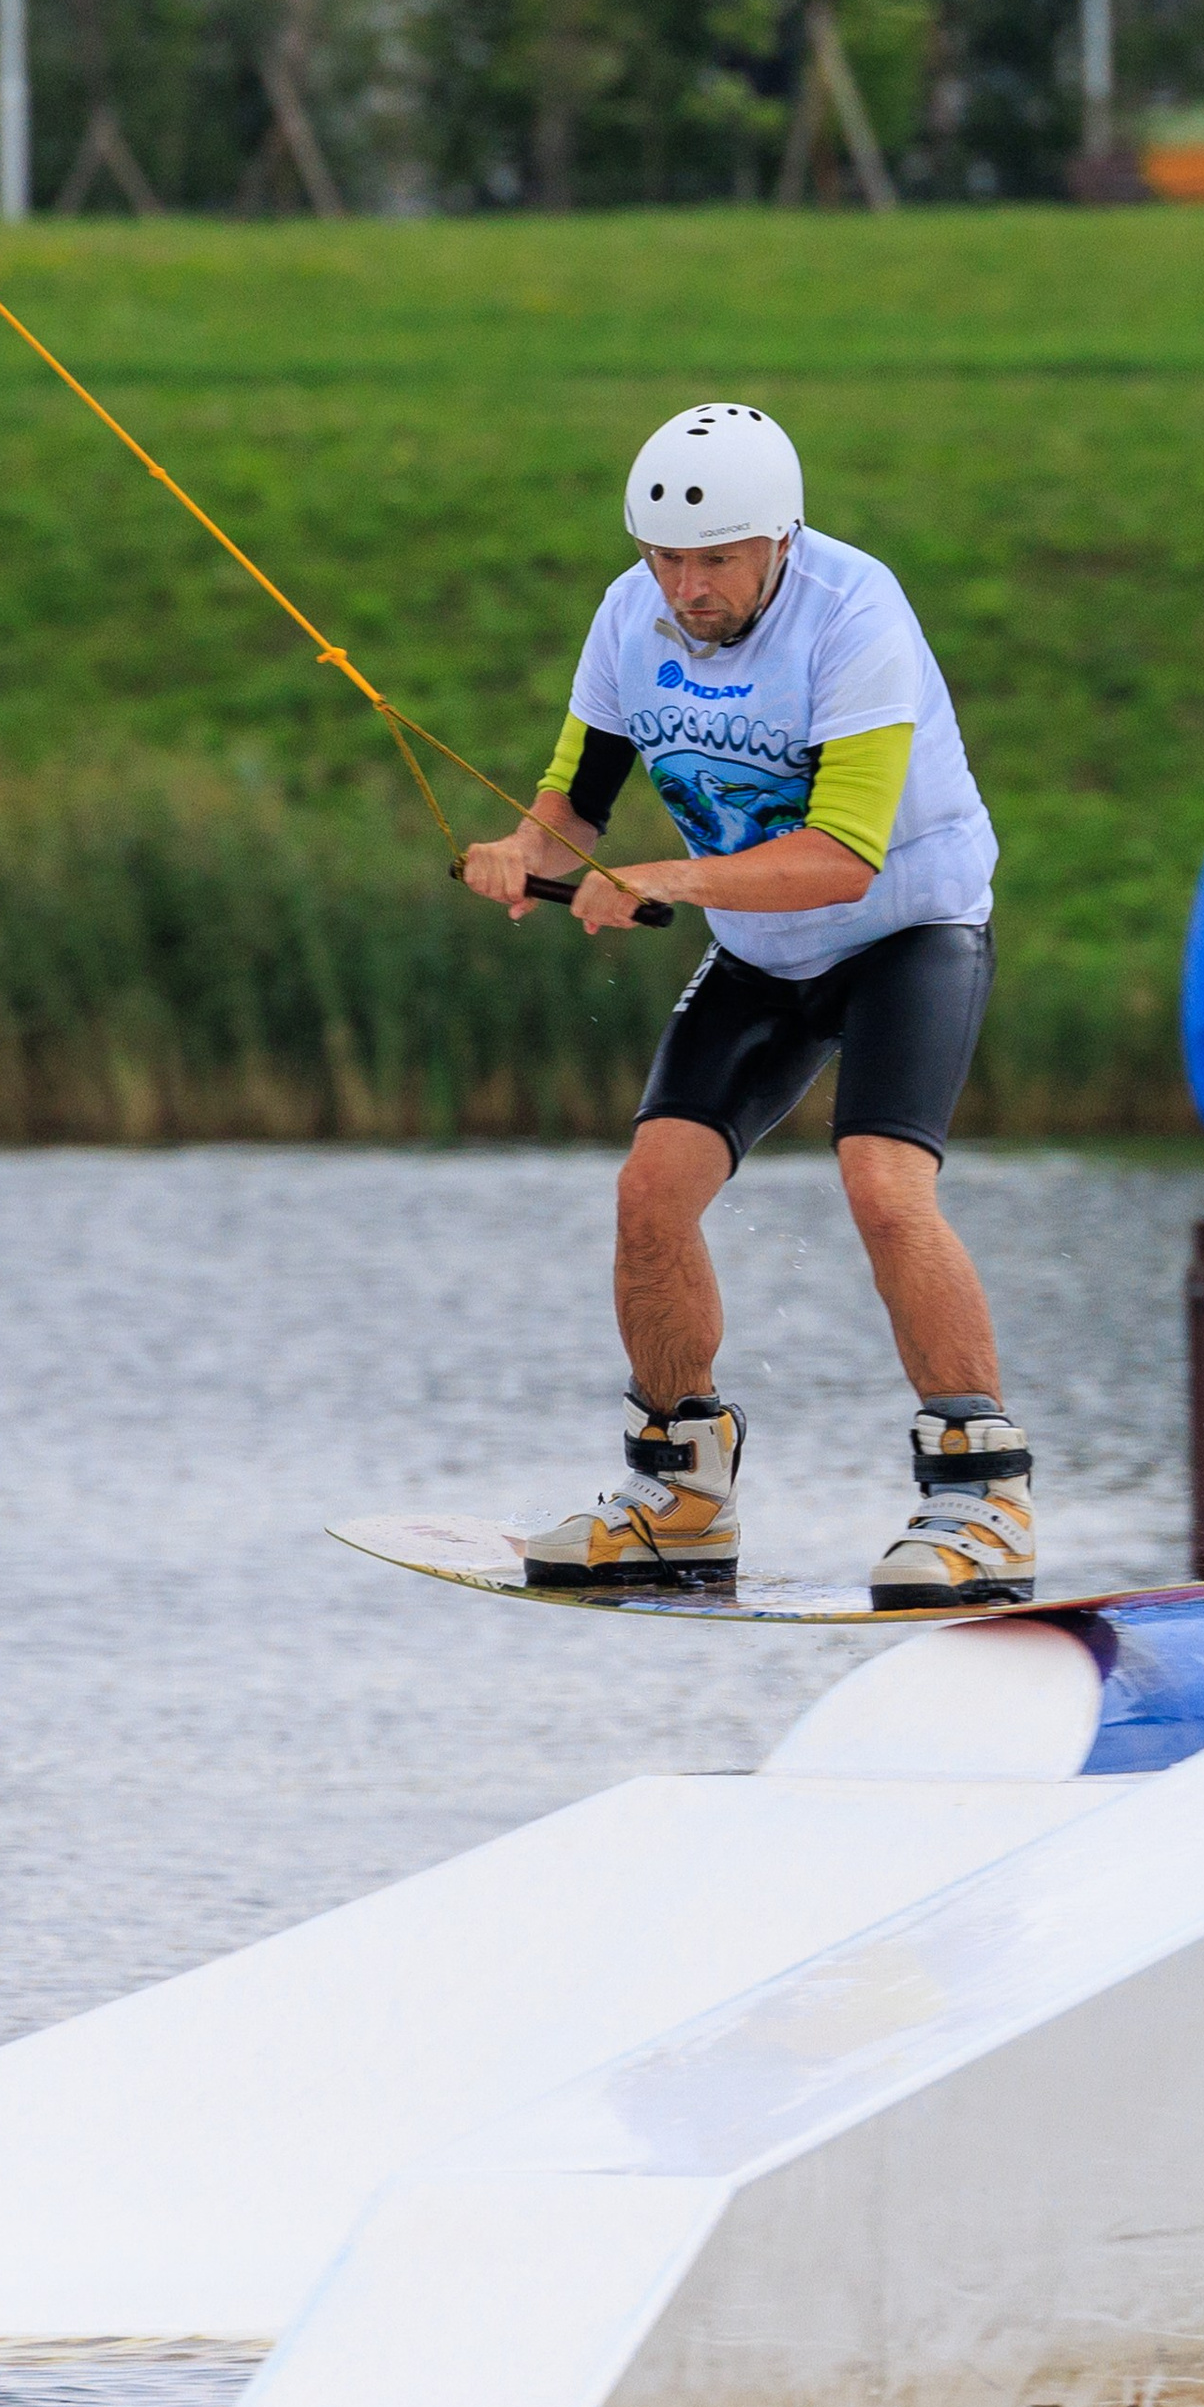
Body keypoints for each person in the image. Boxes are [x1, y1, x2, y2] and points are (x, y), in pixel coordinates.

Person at [461, 403, 1032, 1610]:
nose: (685, 584)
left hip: (905, 929)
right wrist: (523, 851)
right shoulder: (631, 613)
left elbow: (846, 855)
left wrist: (662, 878)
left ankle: (981, 1499)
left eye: (713, 558)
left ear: (778, 537)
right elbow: (578, 798)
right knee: (648, 1193)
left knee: (882, 1182)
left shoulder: (854, 610)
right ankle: (680, 1494)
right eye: (665, 557)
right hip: (758, 944)